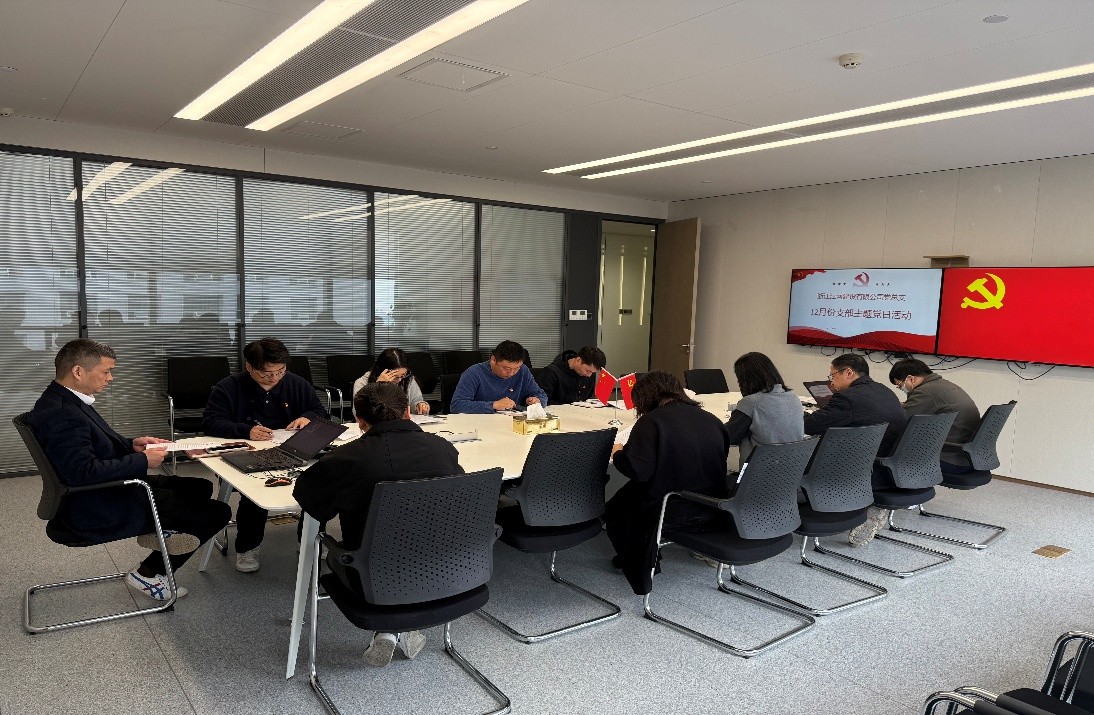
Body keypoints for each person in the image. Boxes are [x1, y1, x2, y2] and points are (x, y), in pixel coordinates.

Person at [28, 339, 230, 601]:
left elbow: (92, 446)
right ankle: (149, 573)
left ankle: (168, 529)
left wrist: (131, 445)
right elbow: (81, 472)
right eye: (106, 371)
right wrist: (143, 461)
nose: (110, 378)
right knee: (217, 512)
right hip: (95, 504)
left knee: (199, 487)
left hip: (104, 489)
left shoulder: (65, 400)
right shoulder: (62, 413)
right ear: (78, 371)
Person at [293, 382, 463, 667]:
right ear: (407, 412)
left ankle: (391, 628)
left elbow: (310, 500)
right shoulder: (443, 449)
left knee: (355, 551)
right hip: (445, 566)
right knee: (410, 542)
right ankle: (399, 629)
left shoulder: (347, 458)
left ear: (359, 421)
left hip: (369, 575)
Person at [203, 337, 329, 573]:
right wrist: (246, 430)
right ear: (249, 367)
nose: (274, 378)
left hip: (292, 450)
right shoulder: (228, 387)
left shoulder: (296, 383)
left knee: (320, 484)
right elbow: (211, 422)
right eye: (266, 373)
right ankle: (248, 547)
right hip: (248, 452)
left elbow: (320, 412)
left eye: (280, 371)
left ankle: (310, 540)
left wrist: (308, 418)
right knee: (255, 493)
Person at [605, 370, 731, 595]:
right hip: (714, 506)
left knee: (616, 508)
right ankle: (647, 553)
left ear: (645, 397)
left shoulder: (651, 422)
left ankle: (638, 560)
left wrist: (618, 452)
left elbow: (637, 471)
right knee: (629, 496)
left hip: (671, 509)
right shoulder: (712, 420)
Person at [804, 353, 907, 546]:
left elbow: (809, 426)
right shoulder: (884, 390)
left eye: (833, 375)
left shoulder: (847, 399)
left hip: (864, 471)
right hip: (891, 466)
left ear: (849, 373)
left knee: (802, 456)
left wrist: (797, 413)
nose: (831, 381)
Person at [888, 358, 981, 473]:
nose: (901, 388)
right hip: (965, 454)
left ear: (911, 379)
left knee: (888, 447)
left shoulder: (924, 392)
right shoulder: (942, 385)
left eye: (900, 385)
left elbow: (901, 420)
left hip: (950, 457)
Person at [725, 352, 805, 459]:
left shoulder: (751, 403)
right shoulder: (794, 398)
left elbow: (727, 436)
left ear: (746, 380)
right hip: (792, 467)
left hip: (756, 468)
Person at [450, 340, 547, 414]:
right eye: (506, 368)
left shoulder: (523, 370)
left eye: (516, 368)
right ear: (493, 360)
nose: (511, 373)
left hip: (511, 422)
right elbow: (457, 405)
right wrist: (494, 405)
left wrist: (537, 401)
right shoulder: (474, 373)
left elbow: (541, 394)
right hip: (480, 424)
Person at [352, 347, 429, 416]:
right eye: (395, 376)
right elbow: (359, 414)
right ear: (382, 371)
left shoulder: (407, 379)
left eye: (402, 375)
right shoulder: (362, 383)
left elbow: (416, 400)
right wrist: (378, 387)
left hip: (401, 424)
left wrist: (419, 405)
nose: (399, 380)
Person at [536, 346, 606, 404]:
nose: (589, 375)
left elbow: (587, 398)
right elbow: (542, 400)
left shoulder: (588, 375)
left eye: (593, 372)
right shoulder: (551, 373)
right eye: (588, 371)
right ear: (578, 360)